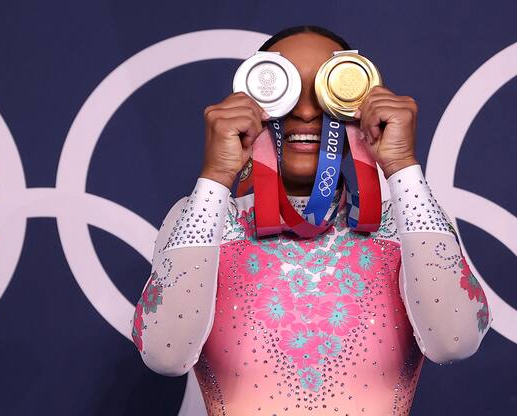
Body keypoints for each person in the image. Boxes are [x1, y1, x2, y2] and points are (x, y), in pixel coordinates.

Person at [131, 25, 491, 415]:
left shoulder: (403, 225)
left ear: (356, 105)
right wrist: (216, 175)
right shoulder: (205, 221)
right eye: (284, 92)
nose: (305, 111)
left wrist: (402, 168)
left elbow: (455, 341)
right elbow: (164, 353)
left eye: (326, 93)